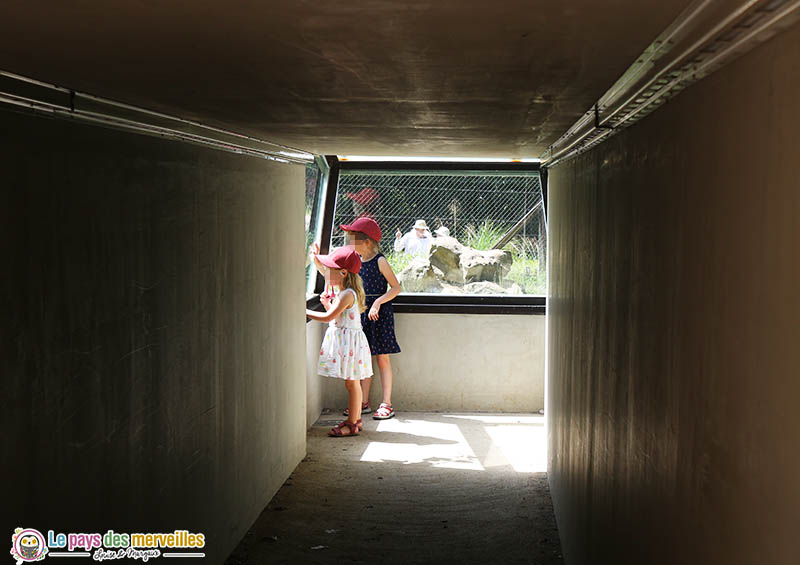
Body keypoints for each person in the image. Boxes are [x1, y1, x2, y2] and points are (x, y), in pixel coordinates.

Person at [306, 246, 373, 436]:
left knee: (352, 384)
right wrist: (316, 260)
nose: (325, 273)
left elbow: (328, 318)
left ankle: (352, 424)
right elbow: (337, 317)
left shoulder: (346, 295)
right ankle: (356, 419)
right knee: (352, 383)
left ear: (343, 273)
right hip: (350, 343)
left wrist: (301, 310)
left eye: (329, 270)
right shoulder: (346, 291)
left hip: (349, 344)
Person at [340, 217, 402, 420]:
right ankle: (363, 402)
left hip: (379, 314)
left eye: (353, 239)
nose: (349, 243)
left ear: (367, 242)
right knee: (363, 359)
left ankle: (387, 403)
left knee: (382, 358)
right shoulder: (355, 262)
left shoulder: (380, 261)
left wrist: (378, 303)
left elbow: (396, 287)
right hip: (361, 314)